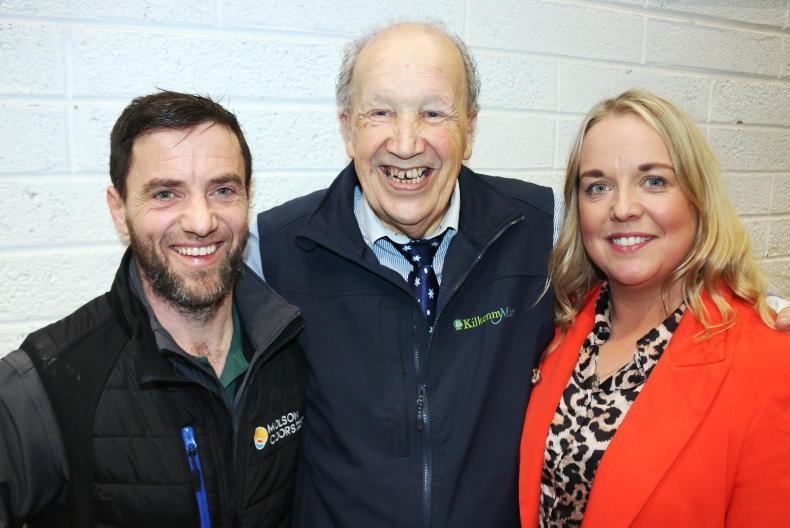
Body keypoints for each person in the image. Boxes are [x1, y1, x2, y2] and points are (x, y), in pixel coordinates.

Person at [247, 22, 558, 526]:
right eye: (381, 112)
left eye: (433, 113)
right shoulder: (272, 251)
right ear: (348, 128)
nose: (407, 143)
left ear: (470, 128)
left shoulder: (542, 231)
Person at [0, 91, 305, 527]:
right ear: (119, 209)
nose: (201, 222)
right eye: (165, 193)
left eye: (223, 190)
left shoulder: (290, 346)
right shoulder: (46, 383)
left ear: (247, 196)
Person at [518, 90, 790, 527]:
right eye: (598, 186)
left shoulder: (769, 362)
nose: (623, 208)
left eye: (654, 181)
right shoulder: (560, 325)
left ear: (697, 198)